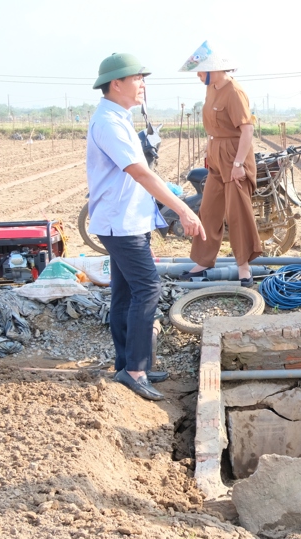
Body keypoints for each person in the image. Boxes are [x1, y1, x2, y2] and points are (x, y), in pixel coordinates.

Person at [87, 53, 205, 401]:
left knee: (126, 293)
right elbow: (138, 172)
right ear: (116, 83)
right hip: (118, 222)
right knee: (148, 288)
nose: (142, 85)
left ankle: (129, 363)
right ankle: (136, 370)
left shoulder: (118, 117)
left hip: (127, 221)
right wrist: (183, 208)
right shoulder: (108, 122)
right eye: (137, 78)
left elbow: (140, 172)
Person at [178, 41, 260, 287]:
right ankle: (204, 260)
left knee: (238, 214)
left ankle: (244, 268)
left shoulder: (234, 92)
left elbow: (247, 130)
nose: (198, 75)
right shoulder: (212, 88)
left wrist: (238, 164)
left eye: (201, 71)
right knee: (210, 210)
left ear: (215, 69)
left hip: (235, 157)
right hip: (216, 156)